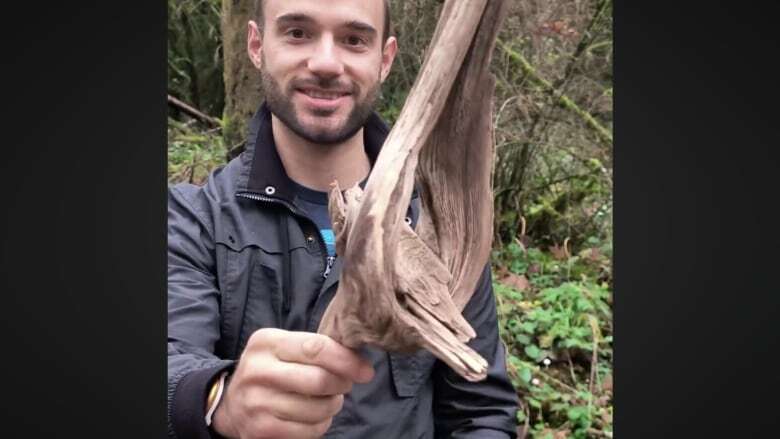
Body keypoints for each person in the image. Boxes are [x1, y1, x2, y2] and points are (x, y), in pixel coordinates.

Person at [167, 0, 519, 437]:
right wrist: (217, 400)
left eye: (354, 40)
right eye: (297, 33)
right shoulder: (192, 218)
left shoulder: (444, 226)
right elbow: (170, 362)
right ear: (257, 46)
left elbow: (480, 412)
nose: (326, 63)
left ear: (385, 59)